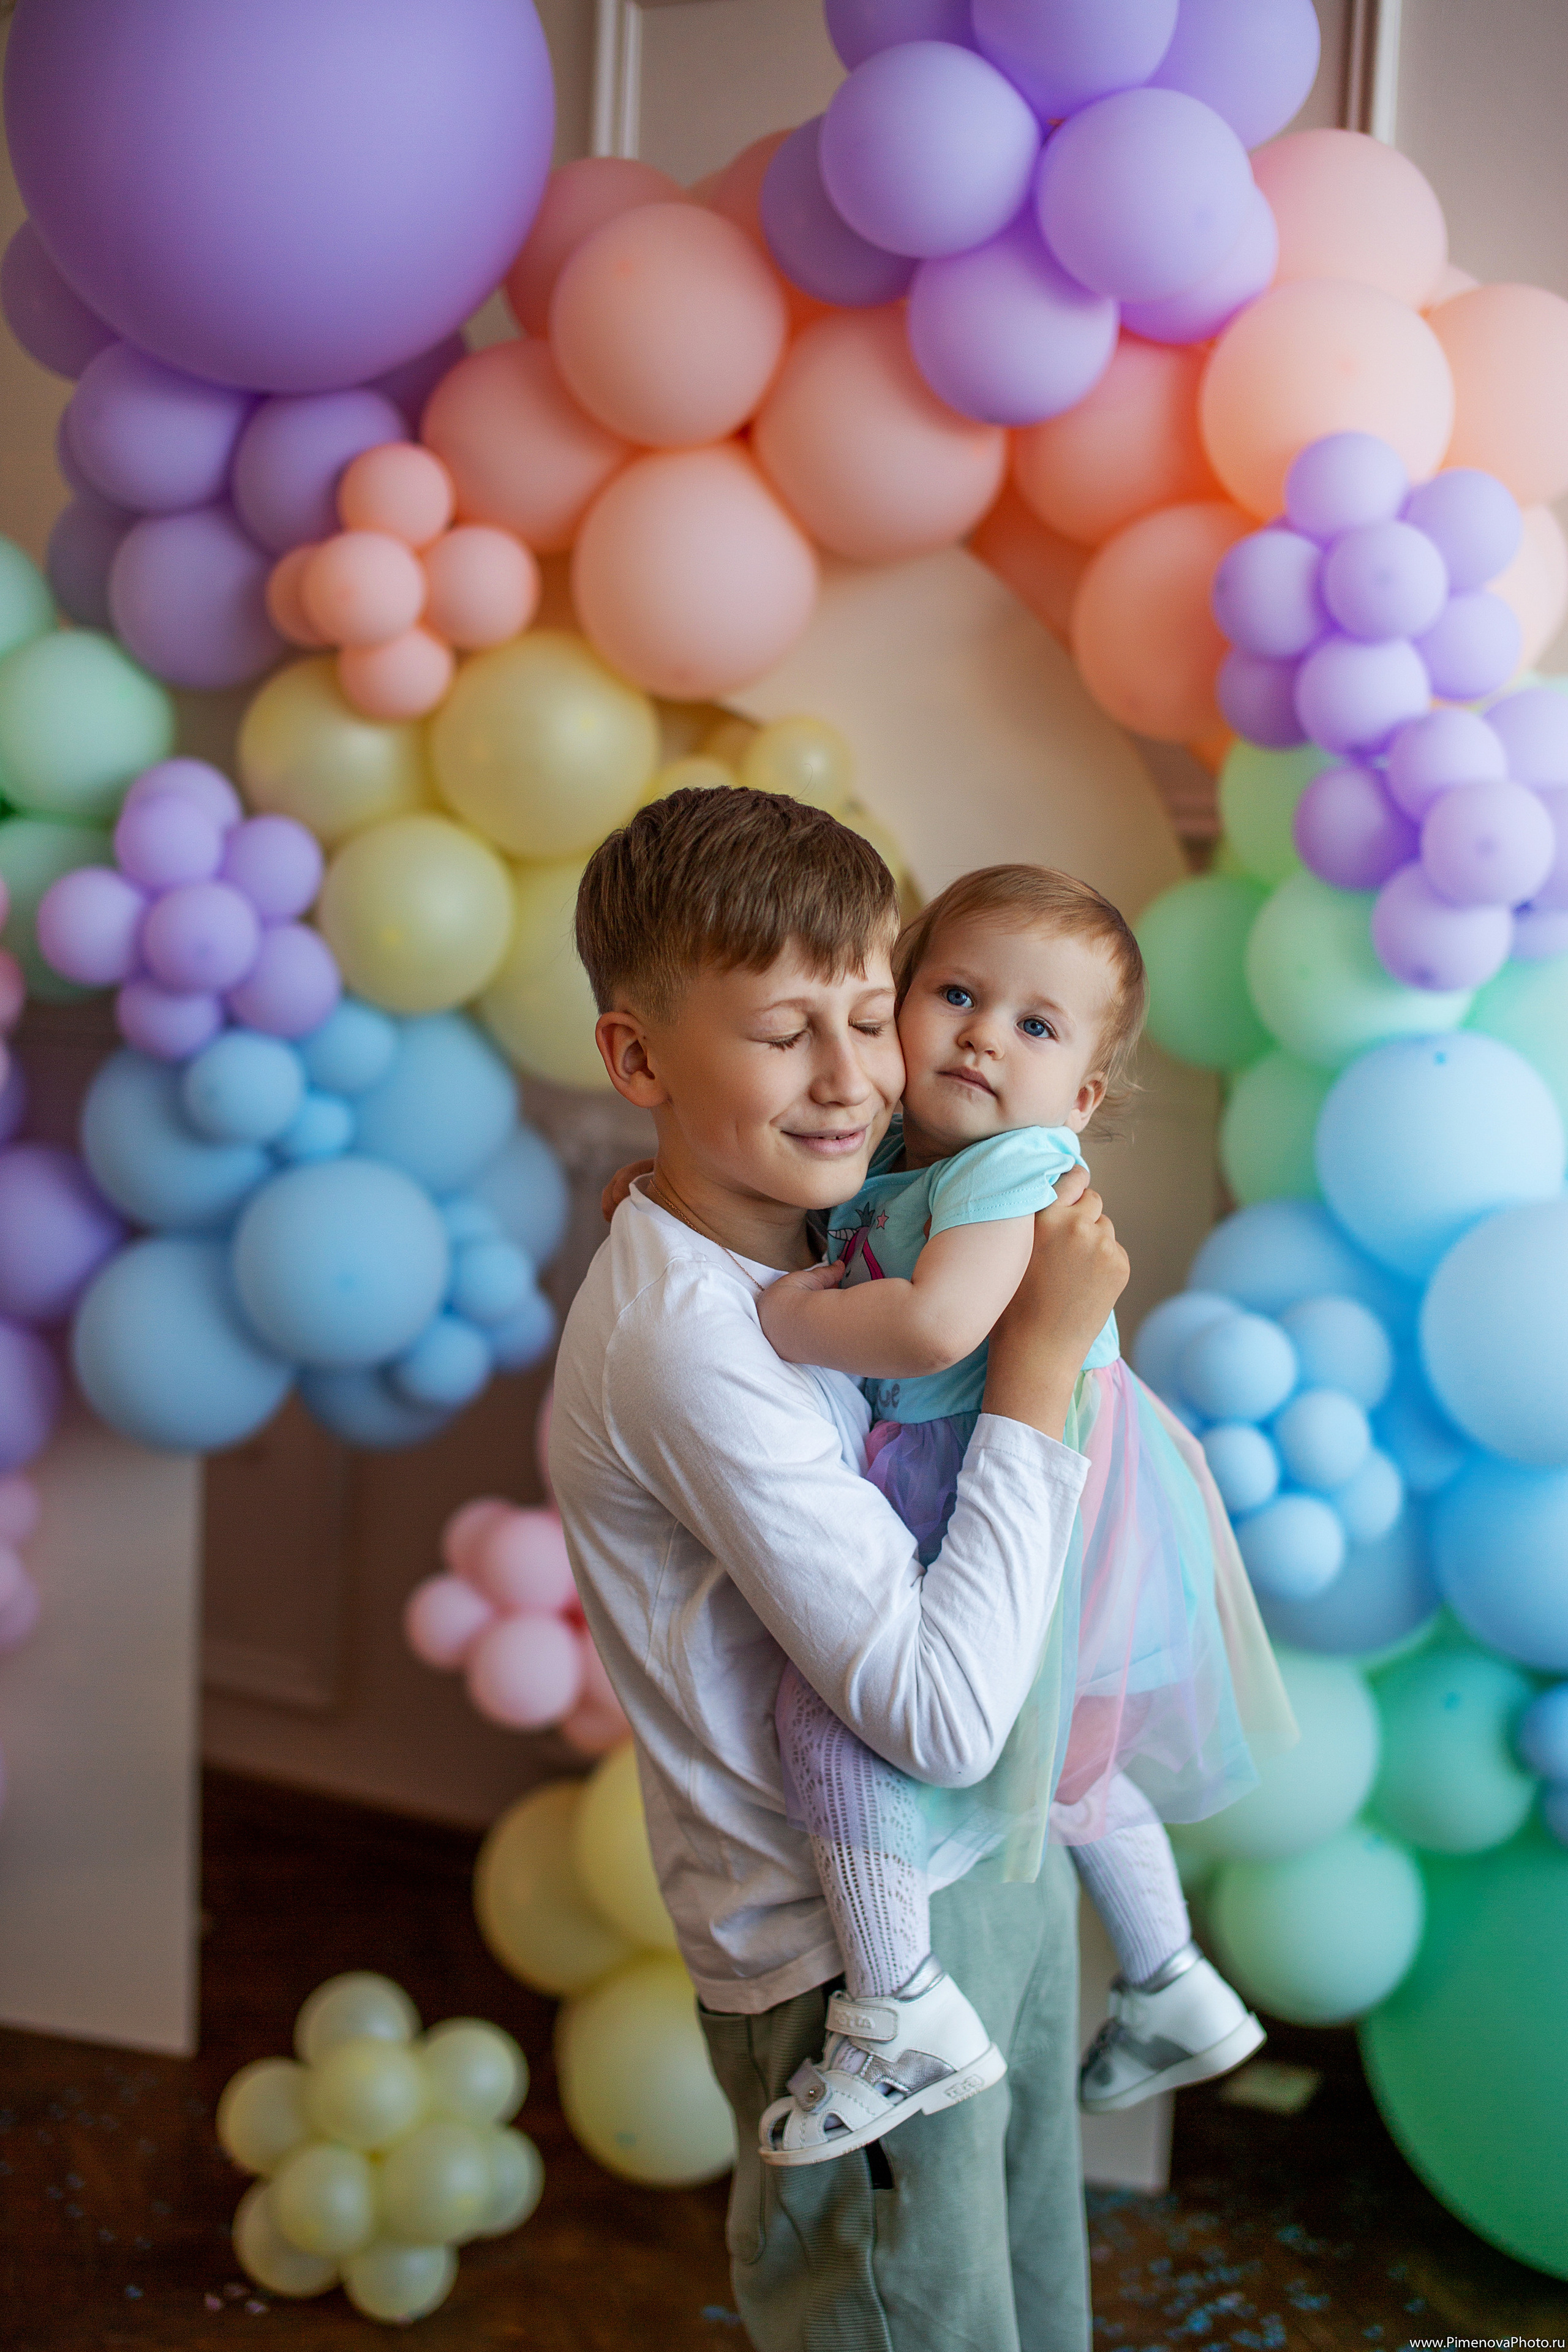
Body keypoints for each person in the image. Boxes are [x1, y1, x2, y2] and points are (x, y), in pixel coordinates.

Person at [549, 787, 1127, 2352]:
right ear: (637, 1062)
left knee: (1031, 2303)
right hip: (847, 1970)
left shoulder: (826, 1231)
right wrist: (1038, 1369)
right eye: (779, 1033)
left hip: (987, 1864)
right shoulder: (691, 1344)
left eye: (871, 1018)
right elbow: (935, 1720)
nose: (853, 1081)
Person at [751, 865, 1294, 2168]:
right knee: (1068, 1754)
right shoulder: (906, 1148)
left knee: (844, 1715)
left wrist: (783, 1318)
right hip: (997, 1467)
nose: (984, 1036)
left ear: (1082, 1098)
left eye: (1034, 1025)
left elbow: (936, 1325)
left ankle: (898, 2011)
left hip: (1024, 1481)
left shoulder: (1014, 1166)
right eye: (955, 994)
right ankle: (1171, 1981)